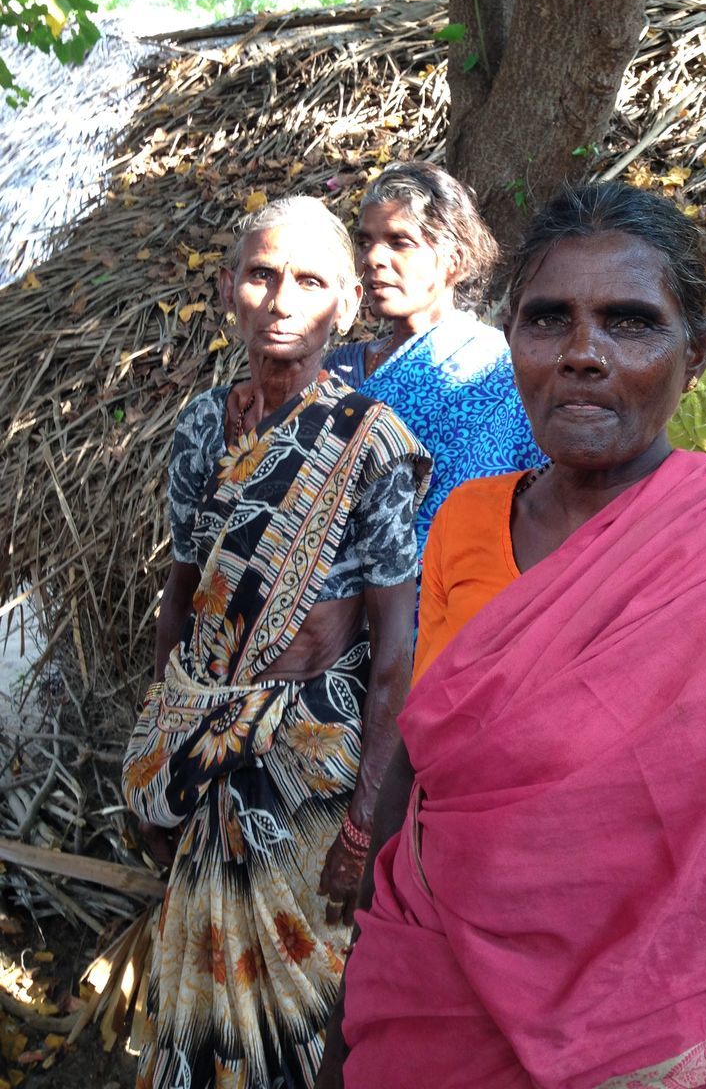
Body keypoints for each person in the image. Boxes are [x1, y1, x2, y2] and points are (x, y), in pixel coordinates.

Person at [322, 183, 706, 1089]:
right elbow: (423, 761)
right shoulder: (462, 520)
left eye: (629, 323)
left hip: (643, 1038)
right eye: (549, 321)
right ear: (512, 343)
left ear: (694, 354)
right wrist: (362, 985)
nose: (583, 354)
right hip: (431, 998)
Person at [122, 196, 431, 1089]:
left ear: (344, 304)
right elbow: (179, 600)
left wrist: (367, 819)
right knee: (203, 1003)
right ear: (228, 290)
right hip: (204, 756)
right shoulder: (197, 431)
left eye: (310, 281)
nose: (282, 299)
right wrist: (161, 747)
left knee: (311, 1007)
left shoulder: (371, 446)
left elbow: (394, 648)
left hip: (305, 773)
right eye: (261, 275)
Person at [323, 161, 543, 559]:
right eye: (365, 241)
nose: (373, 258)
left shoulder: (500, 372)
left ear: (454, 260)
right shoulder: (338, 371)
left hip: (456, 599)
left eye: (399, 241)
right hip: (330, 606)